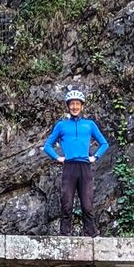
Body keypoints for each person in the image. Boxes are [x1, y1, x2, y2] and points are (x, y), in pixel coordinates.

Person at [40, 89, 110, 237]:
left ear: (82, 106)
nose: (75, 107)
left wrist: (95, 157)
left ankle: (90, 234)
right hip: (69, 167)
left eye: (77, 104)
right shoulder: (61, 125)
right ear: (68, 106)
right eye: (72, 104)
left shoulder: (89, 124)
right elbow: (47, 145)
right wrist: (58, 158)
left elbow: (104, 143)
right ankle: (65, 234)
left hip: (85, 166)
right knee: (66, 203)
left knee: (87, 204)